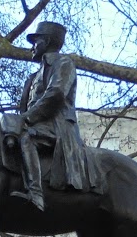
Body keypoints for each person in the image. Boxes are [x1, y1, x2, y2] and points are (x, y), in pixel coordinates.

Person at [13, 21, 89, 209]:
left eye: (36, 41)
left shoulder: (63, 63)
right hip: (36, 124)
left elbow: (56, 94)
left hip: (57, 126)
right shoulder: (33, 77)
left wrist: (27, 118)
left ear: (46, 41)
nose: (32, 47)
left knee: (27, 139)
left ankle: (35, 194)